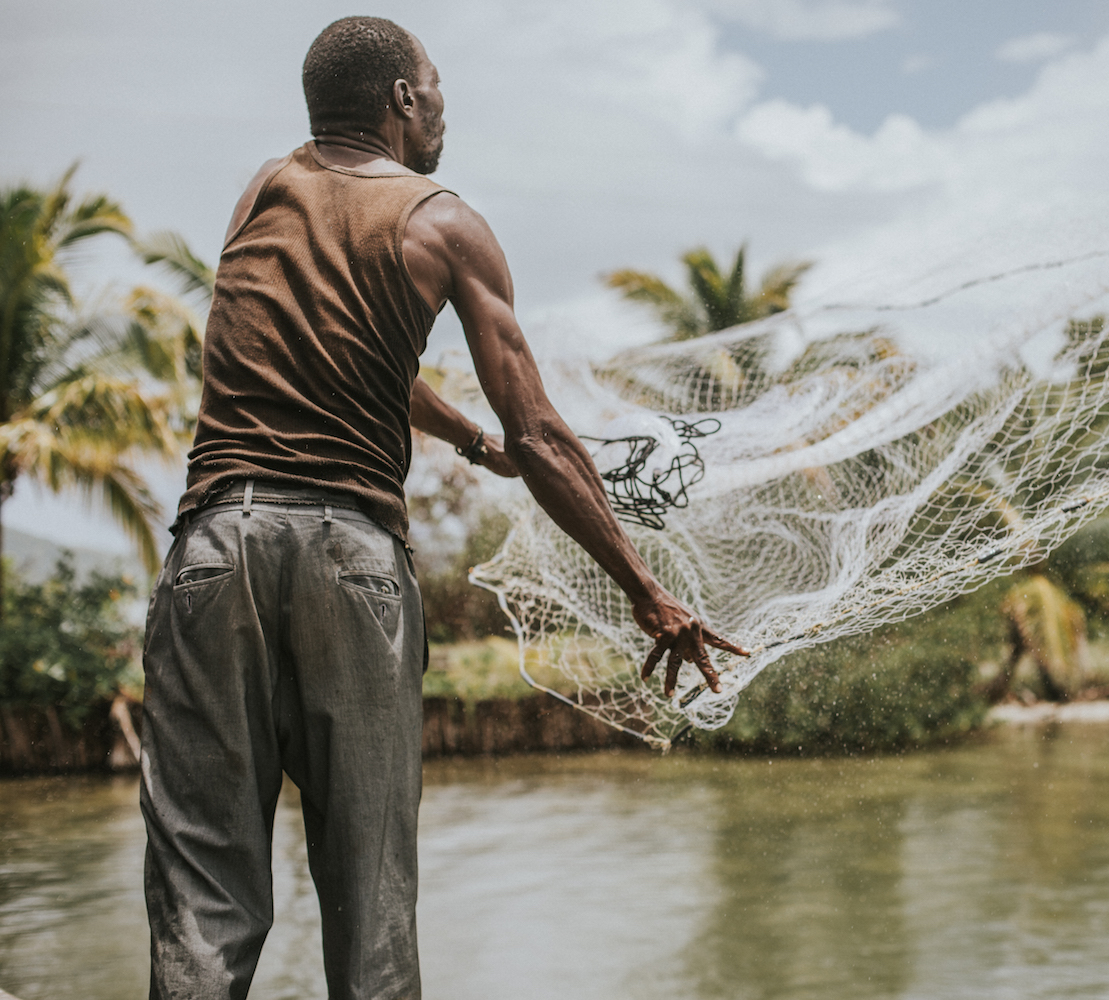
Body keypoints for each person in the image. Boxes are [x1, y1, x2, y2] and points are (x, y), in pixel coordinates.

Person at [138, 15, 746, 1000]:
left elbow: (354, 357)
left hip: (215, 541)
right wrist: (647, 591)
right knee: (372, 902)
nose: (445, 117)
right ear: (402, 101)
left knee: (201, 901)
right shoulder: (443, 221)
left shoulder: (264, 189)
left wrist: (470, 443)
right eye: (439, 96)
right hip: (347, 555)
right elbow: (547, 435)